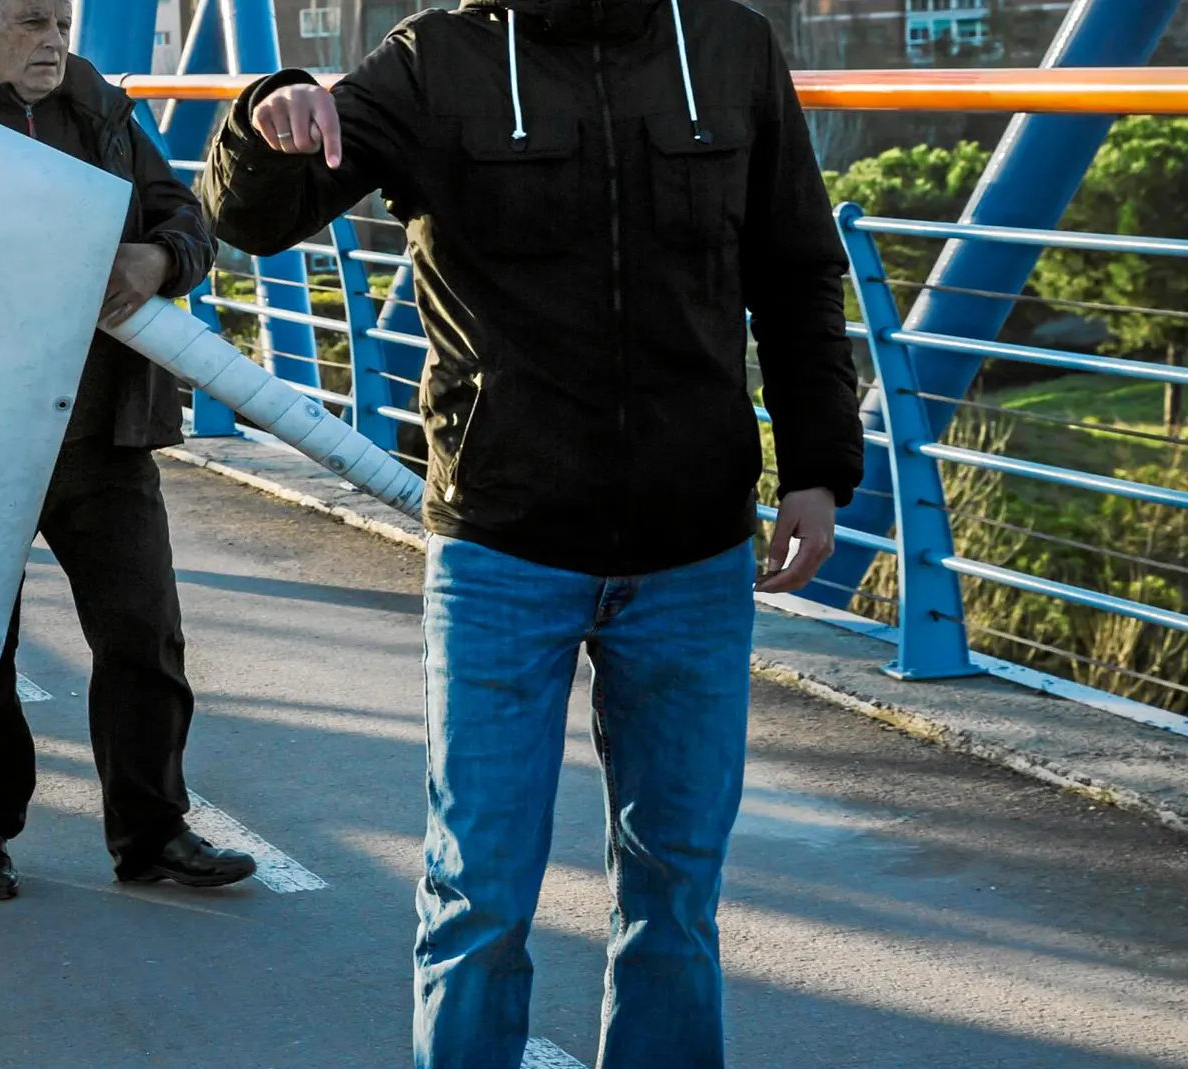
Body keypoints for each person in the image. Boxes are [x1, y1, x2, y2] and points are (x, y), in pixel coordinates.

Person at [198, 1, 863, 1065]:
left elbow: (794, 270)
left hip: (691, 542)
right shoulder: (435, 57)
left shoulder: (728, 44)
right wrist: (267, 112)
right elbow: (250, 219)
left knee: (676, 895)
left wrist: (820, 469)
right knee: (479, 893)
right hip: (505, 540)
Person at [0, 0, 256, 900]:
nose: (54, 42)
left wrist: (161, 262)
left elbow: (188, 221)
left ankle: (152, 837)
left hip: (105, 434)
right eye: (32, 23)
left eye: (63, 23)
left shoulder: (109, 115)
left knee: (143, 636)